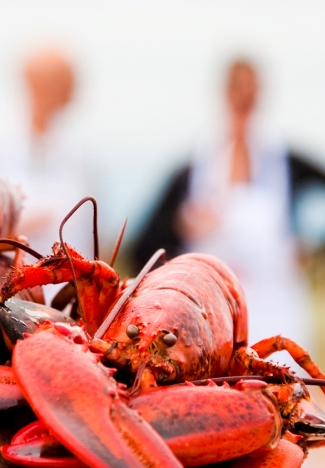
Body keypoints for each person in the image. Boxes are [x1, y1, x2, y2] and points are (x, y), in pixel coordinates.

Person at [133, 59, 314, 367]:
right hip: (210, 312)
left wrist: (315, 245)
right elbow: (144, 243)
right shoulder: (191, 169)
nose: (243, 97)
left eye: (250, 90)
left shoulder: (288, 162)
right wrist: (183, 225)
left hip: (275, 305)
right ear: (224, 92)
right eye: (237, 88)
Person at [0, 47, 93, 301]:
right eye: (65, 82)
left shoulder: (79, 153)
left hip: (67, 299)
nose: (73, 91)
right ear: (35, 83)